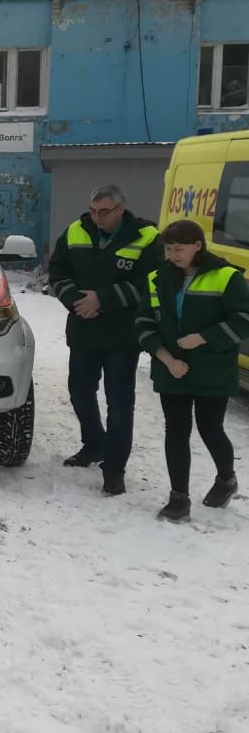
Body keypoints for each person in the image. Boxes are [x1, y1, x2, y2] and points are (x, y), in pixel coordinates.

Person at [48, 184, 161, 495]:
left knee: (120, 403)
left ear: (120, 209)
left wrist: (104, 298)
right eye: (94, 211)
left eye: (104, 212)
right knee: (79, 392)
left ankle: (114, 468)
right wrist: (76, 300)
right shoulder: (75, 231)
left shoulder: (146, 237)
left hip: (122, 336)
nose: (96, 218)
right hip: (84, 329)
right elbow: (57, 271)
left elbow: (152, 281)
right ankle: (94, 443)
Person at [136, 219, 248, 521]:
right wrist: (167, 359)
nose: (173, 255)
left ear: (198, 245)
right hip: (171, 369)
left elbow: (243, 319)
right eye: (169, 249)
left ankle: (226, 478)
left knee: (210, 428)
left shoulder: (227, 277)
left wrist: (203, 337)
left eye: (179, 248)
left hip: (212, 369)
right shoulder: (156, 277)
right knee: (176, 430)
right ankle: (179, 497)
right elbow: (144, 322)